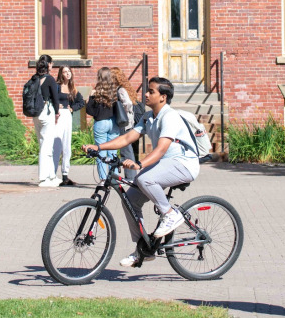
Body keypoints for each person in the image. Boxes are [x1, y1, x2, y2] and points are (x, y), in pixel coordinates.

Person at [83, 76, 200, 268]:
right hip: (165, 164)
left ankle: (170, 214)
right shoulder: (148, 117)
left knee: (145, 177)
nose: (145, 94)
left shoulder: (169, 117)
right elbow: (128, 137)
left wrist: (140, 164)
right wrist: (99, 147)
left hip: (183, 164)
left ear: (162, 97)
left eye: (151, 91)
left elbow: (162, 148)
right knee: (130, 199)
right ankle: (143, 250)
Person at [85, 67, 120, 180]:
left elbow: (90, 111)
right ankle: (114, 179)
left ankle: (104, 180)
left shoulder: (96, 92)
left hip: (101, 123)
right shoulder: (115, 91)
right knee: (113, 152)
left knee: (100, 152)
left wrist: (90, 98)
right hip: (114, 122)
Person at [32, 54, 61, 188]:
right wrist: (57, 113)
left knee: (43, 143)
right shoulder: (49, 79)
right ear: (48, 64)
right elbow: (55, 98)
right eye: (52, 63)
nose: (53, 65)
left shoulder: (34, 78)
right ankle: (43, 178)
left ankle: (51, 176)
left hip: (36, 114)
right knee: (46, 146)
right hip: (46, 112)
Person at [55, 65, 85, 186]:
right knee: (57, 144)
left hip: (67, 116)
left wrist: (72, 108)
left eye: (69, 71)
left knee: (66, 145)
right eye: (65, 71)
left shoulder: (73, 88)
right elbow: (50, 99)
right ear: (61, 74)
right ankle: (52, 174)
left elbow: (81, 102)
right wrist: (57, 106)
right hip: (58, 116)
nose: (67, 73)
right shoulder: (56, 86)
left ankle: (65, 175)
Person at [111, 67, 140, 179]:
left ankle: (131, 176)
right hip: (129, 122)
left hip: (124, 123)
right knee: (127, 149)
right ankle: (130, 176)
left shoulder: (120, 90)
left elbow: (127, 103)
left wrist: (123, 110)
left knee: (126, 150)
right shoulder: (124, 88)